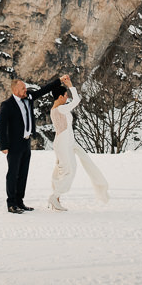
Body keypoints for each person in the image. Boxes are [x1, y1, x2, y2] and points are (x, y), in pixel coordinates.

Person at [0, 75, 66, 214]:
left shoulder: (28, 97)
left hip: (26, 142)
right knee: (13, 173)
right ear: (15, 90)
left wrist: (59, 81)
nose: (25, 90)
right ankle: (11, 203)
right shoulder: (7, 105)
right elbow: (1, 125)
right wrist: (4, 146)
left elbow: (44, 90)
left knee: (23, 173)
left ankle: (19, 201)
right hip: (14, 144)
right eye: (23, 88)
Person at [48, 74, 109, 211]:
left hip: (67, 141)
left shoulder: (58, 108)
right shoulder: (60, 109)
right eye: (65, 95)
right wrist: (71, 86)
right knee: (68, 171)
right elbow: (77, 100)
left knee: (66, 169)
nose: (67, 97)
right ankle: (55, 196)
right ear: (60, 97)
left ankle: (56, 199)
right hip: (63, 142)